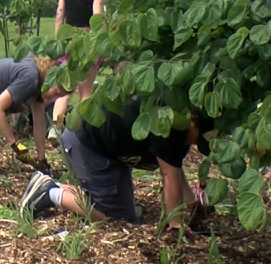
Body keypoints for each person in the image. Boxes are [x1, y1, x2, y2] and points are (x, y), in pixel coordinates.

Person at [19, 98, 215, 229]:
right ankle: (50, 193)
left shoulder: (182, 133)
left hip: (111, 152)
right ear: (193, 121)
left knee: (126, 212)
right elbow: (169, 176)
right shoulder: (167, 127)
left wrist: (191, 206)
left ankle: (51, 185)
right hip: (87, 141)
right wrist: (175, 223)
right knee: (114, 216)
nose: (196, 144)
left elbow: (176, 170)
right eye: (199, 138)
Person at [52, 0, 107, 127]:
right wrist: (103, 42)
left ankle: (55, 128)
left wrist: (58, 39)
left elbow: (60, 13)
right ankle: (84, 130)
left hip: (68, 39)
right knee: (86, 89)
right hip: (88, 41)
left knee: (65, 87)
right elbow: (98, 13)